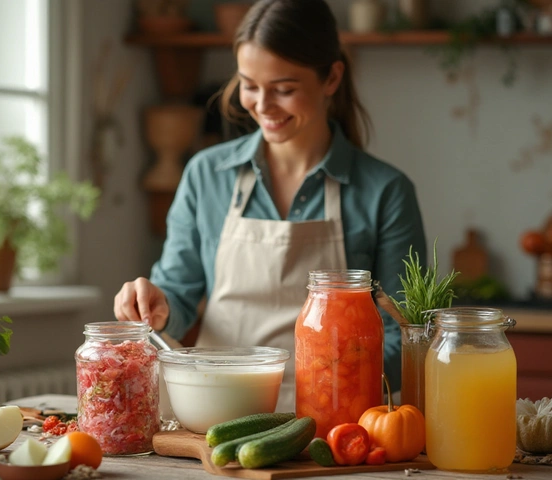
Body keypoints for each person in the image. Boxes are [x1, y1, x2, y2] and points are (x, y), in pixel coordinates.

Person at [114, 0, 427, 412]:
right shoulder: (207, 174)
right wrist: (156, 302)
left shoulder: (384, 191)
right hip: (213, 413)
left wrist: (331, 382)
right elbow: (180, 291)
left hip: (336, 420)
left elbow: (405, 334)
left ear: (331, 77)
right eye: (249, 84)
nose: (262, 105)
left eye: (284, 89)